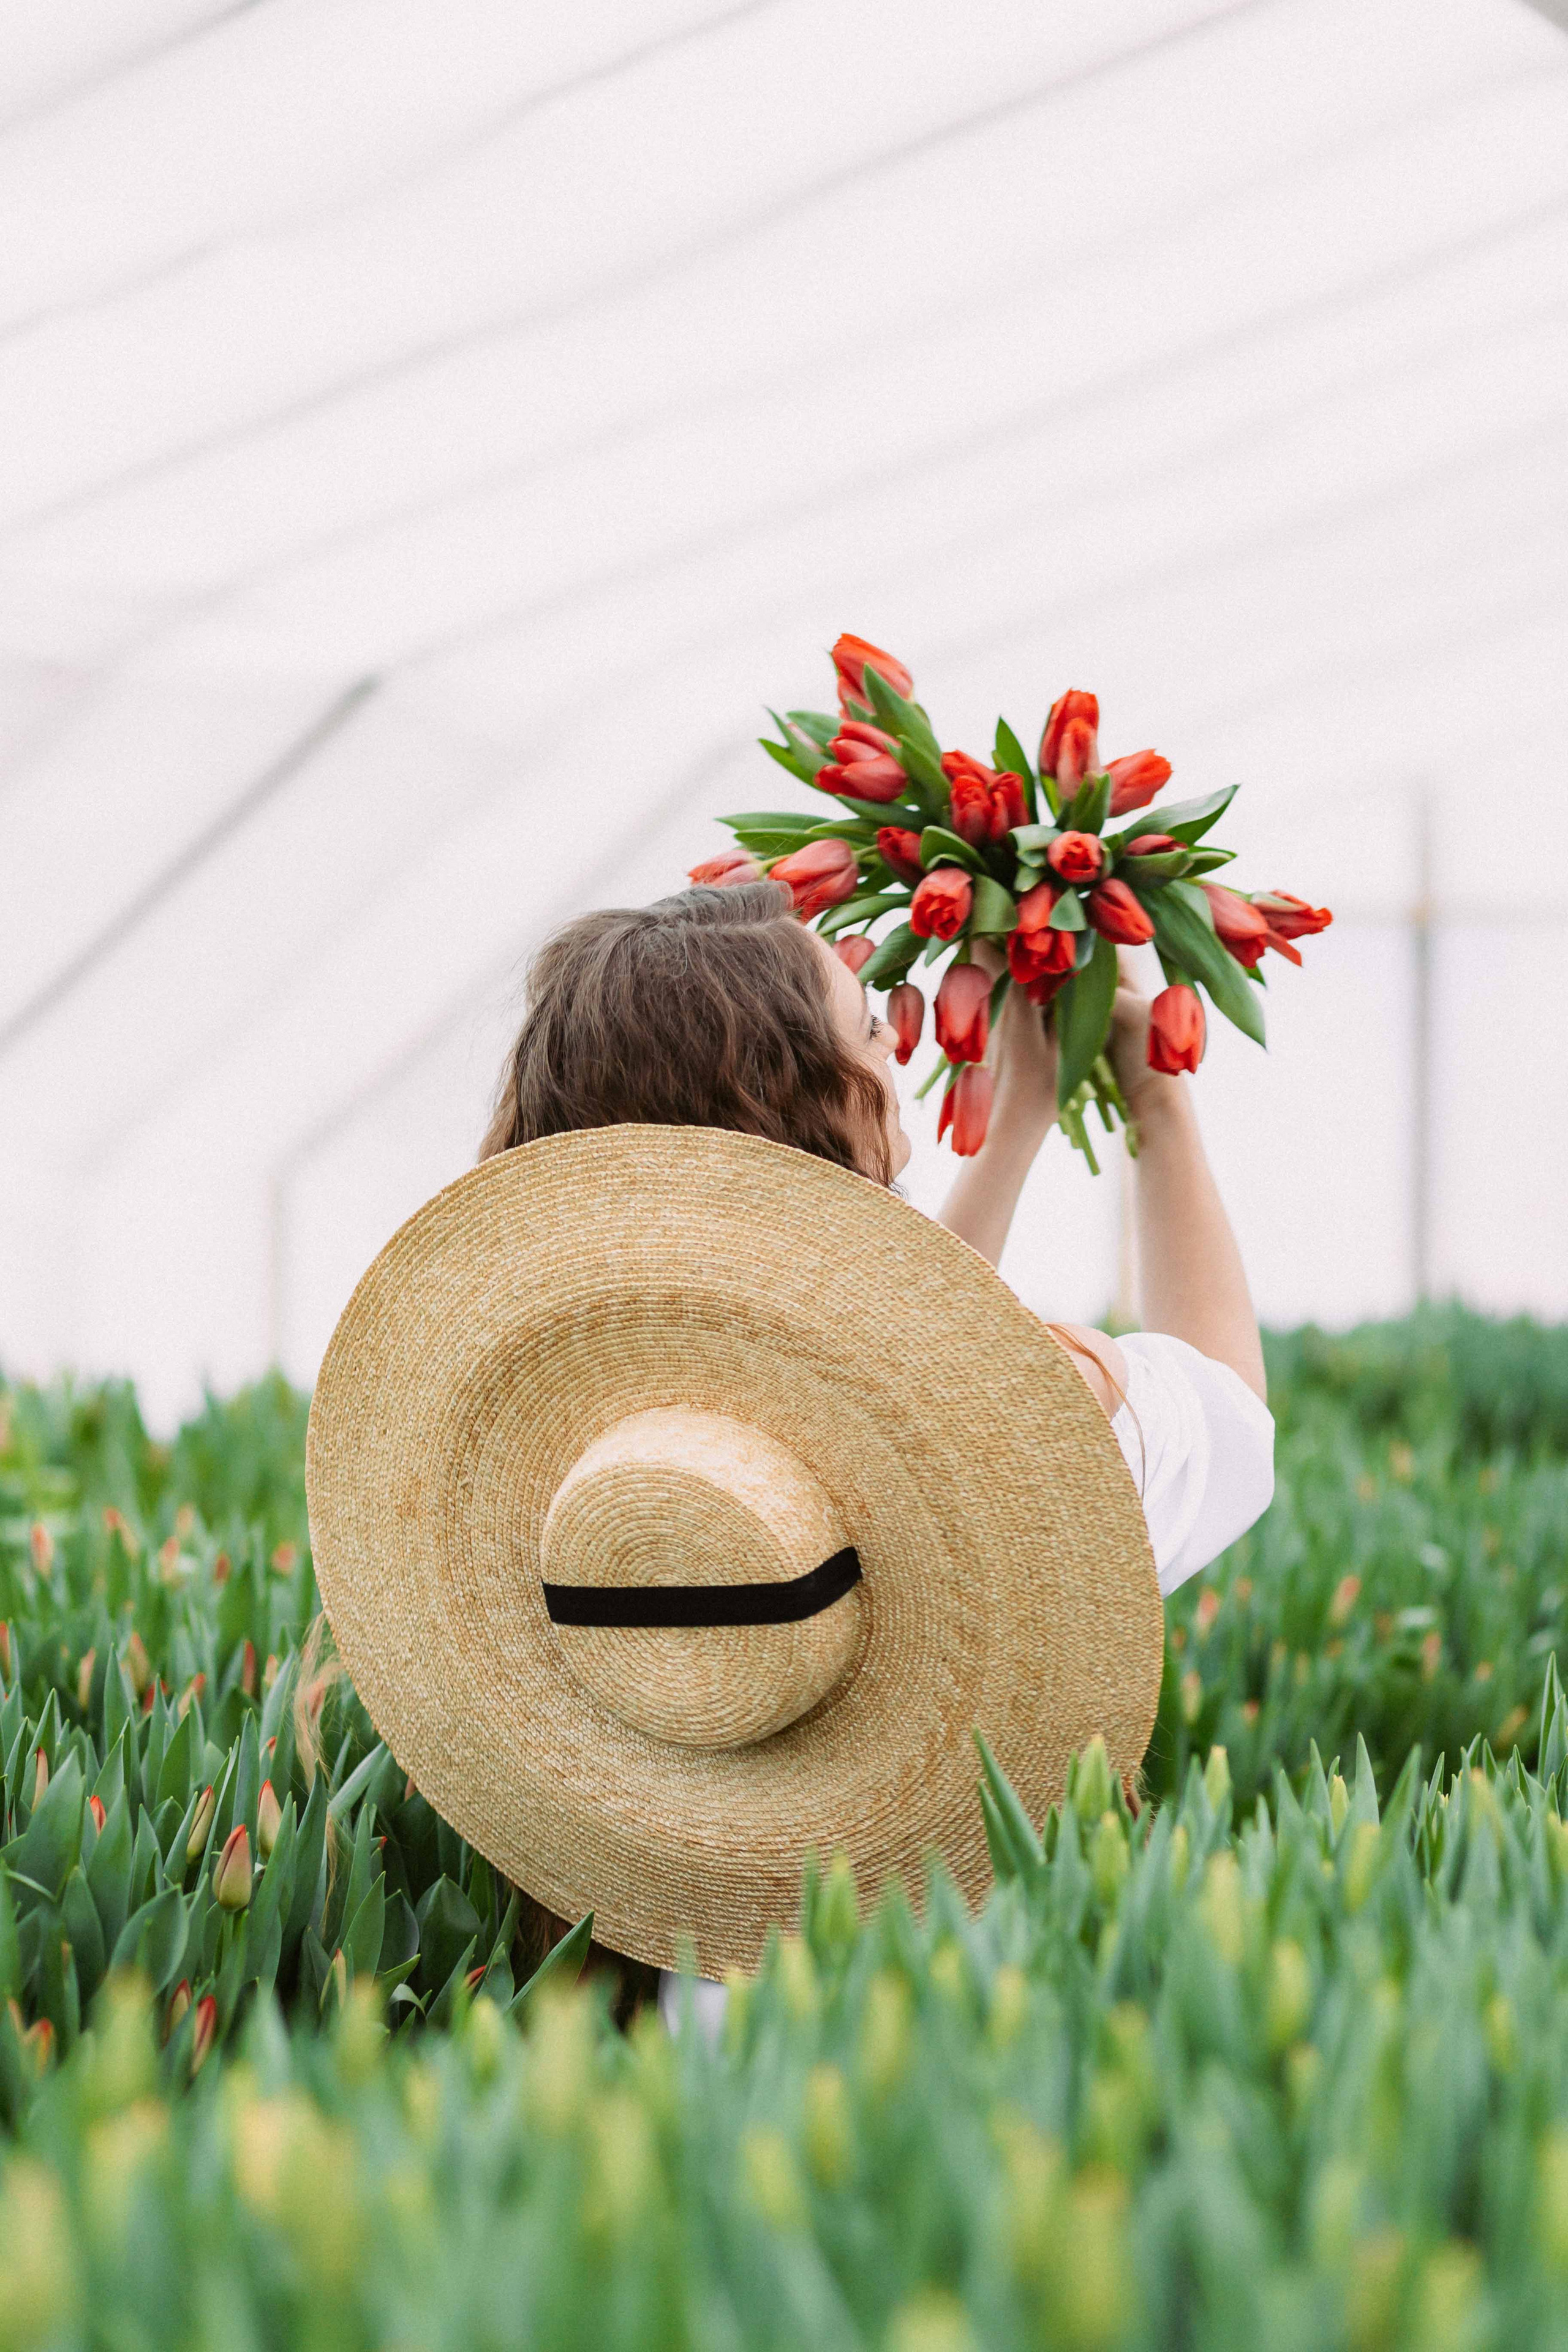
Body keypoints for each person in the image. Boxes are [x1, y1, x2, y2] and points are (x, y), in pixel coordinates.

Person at [469, 876, 1273, 2024]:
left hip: (697, 2018)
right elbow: (1229, 1420)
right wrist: (1158, 1105)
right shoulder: (1028, 1417)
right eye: (866, 1025)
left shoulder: (580, 1437)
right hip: (961, 2022)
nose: (899, 1039)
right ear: (794, 1089)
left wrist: (1015, 1126)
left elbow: (875, 1378)